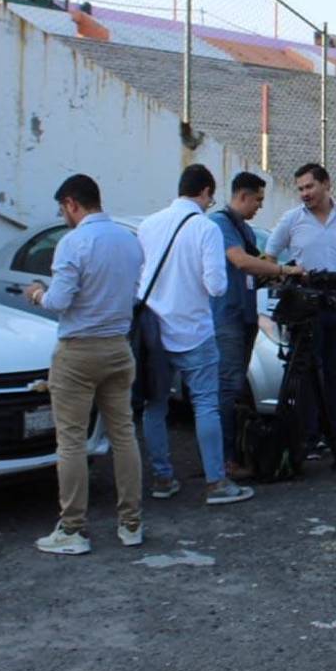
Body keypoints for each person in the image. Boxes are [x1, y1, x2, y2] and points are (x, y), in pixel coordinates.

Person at [23, 174, 146, 554]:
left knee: (71, 440)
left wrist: (38, 294)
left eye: (63, 209)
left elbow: (60, 301)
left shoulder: (72, 243)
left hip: (78, 350)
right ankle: (131, 523)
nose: (64, 215)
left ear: (73, 204)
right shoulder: (130, 240)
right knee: (123, 433)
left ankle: (73, 528)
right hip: (118, 347)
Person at [138, 164, 254, 505]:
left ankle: (162, 478)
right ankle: (216, 482)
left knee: (154, 406)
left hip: (155, 331)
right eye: (210, 196)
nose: (209, 202)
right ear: (204, 191)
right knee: (206, 404)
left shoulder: (148, 225)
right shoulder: (206, 229)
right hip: (195, 330)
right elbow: (216, 286)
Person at [264, 163, 336, 457]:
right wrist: (284, 275)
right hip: (306, 307)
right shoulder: (292, 219)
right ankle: (309, 437)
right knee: (307, 372)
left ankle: (334, 434)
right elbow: (269, 255)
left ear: (326, 184)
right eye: (300, 189)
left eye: (309, 187)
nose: (304, 194)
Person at [209, 172, 303, 480]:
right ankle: (223, 460)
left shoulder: (244, 229)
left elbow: (254, 266)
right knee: (228, 388)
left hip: (244, 316)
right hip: (227, 318)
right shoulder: (221, 224)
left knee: (235, 390)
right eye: (258, 200)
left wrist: (280, 275)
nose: (260, 207)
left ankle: (237, 454)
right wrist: (283, 269)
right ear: (243, 196)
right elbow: (241, 262)